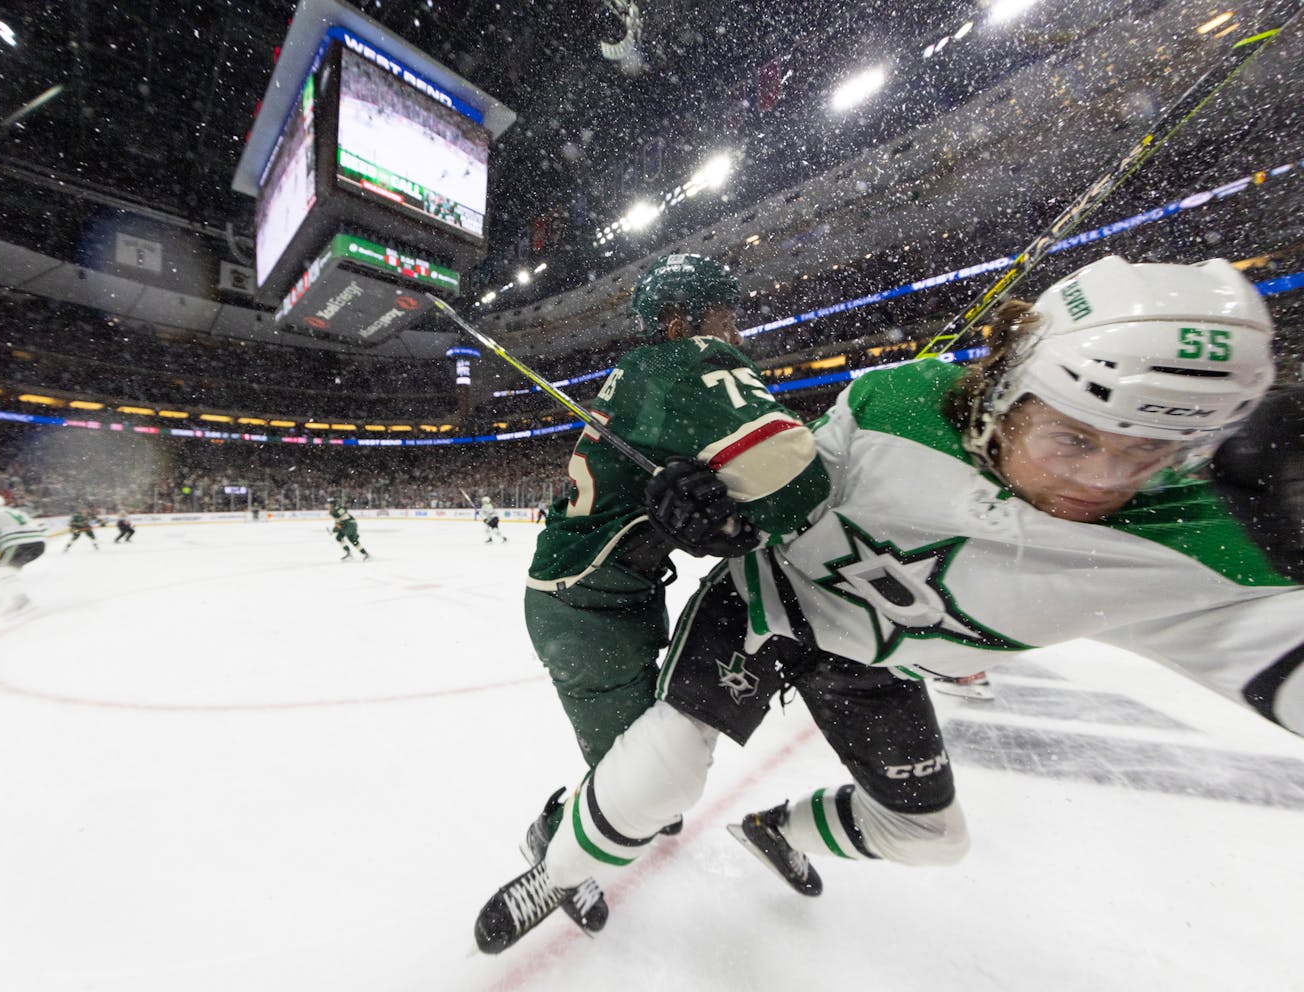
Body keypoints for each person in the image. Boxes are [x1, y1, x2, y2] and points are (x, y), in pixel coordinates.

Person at [473, 255, 1304, 953]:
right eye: (1073, 436)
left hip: (875, 655)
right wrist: (723, 521)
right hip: (772, 607)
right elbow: (787, 498)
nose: (1099, 482)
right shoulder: (896, 405)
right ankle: (556, 867)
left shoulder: (1196, 543)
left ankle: (772, 830)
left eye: (1151, 453)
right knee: (657, 776)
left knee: (933, 838)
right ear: (1011, 390)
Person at [517, 252, 832, 935]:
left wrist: (709, 521)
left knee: (653, 768)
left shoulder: (646, 377)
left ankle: (607, 815)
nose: (738, 334)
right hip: (584, 606)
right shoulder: (680, 362)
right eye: (728, 314)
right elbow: (796, 488)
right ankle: (551, 838)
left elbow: (673, 508)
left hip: (608, 594)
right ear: (681, 318)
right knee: (635, 781)